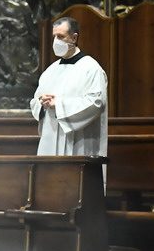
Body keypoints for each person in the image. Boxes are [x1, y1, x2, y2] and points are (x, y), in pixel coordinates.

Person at [31, 17, 108, 161]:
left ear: (74, 38)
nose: (56, 41)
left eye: (61, 37)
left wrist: (59, 105)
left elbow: (96, 102)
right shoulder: (50, 71)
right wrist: (41, 103)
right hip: (50, 139)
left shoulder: (91, 69)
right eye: (54, 36)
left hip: (79, 142)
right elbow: (35, 101)